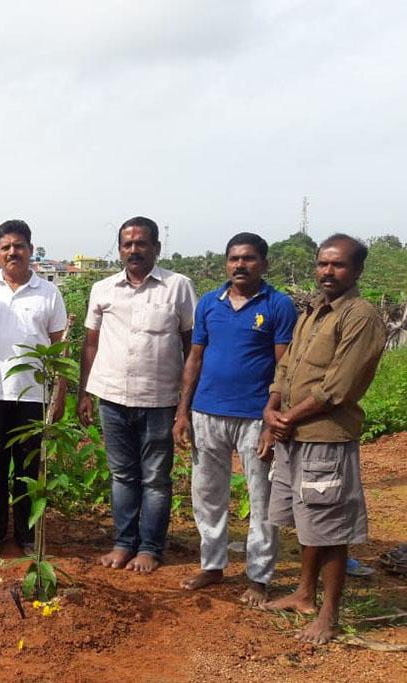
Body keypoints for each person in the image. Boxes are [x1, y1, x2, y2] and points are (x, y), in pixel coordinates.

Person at [261, 234, 386, 644]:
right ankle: (303, 594)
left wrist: (287, 417)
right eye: (322, 263)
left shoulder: (360, 316)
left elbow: (339, 386)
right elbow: (286, 367)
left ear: (357, 270)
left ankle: (328, 616)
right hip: (294, 434)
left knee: (330, 526)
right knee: (307, 519)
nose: (327, 271)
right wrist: (272, 408)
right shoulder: (314, 311)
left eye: (338, 264)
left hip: (325, 438)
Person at [173, 232, 297, 604]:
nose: (240, 265)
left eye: (248, 258)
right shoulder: (210, 303)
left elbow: (285, 367)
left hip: (255, 417)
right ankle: (212, 565)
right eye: (233, 258)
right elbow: (194, 359)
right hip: (206, 412)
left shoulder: (278, 305)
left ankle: (258, 577)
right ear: (226, 263)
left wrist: (274, 419)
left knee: (262, 497)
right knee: (207, 494)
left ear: (264, 264)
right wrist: (182, 412)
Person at [77, 216, 197, 573]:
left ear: (156, 248)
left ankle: (150, 548)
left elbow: (193, 347)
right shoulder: (103, 289)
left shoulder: (178, 287)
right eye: (127, 244)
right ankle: (123, 544)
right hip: (112, 397)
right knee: (122, 475)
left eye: (141, 243)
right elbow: (90, 344)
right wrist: (84, 393)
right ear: (119, 250)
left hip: (159, 399)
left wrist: (185, 405)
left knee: (156, 478)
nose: (134, 250)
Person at [0, 220, 67, 557]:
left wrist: (60, 395)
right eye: (6, 247)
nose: (13, 252)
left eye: (19, 246)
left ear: (30, 250)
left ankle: (27, 536)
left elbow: (61, 347)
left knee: (29, 470)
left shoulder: (49, 293)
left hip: (33, 397)